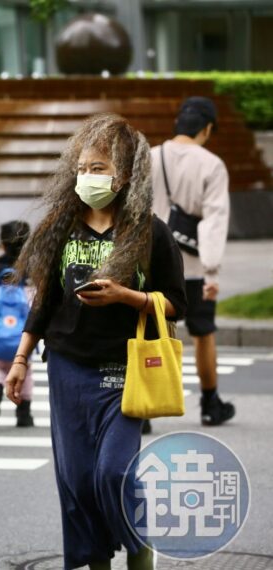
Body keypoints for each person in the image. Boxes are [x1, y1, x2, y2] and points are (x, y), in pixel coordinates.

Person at [5, 114, 187, 570]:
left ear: (124, 175)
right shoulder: (60, 228)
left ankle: (141, 548)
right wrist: (21, 359)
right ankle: (98, 562)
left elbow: (175, 305)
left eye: (99, 168)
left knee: (114, 471)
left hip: (125, 369)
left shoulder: (149, 232)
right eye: (83, 168)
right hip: (68, 368)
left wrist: (126, 296)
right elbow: (43, 301)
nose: (87, 177)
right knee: (79, 481)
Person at [151, 96, 235, 427]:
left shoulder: (149, 156)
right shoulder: (212, 164)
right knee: (203, 334)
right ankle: (211, 403)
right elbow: (214, 220)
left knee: (149, 334)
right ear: (207, 128)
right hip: (195, 268)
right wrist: (213, 272)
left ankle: (143, 408)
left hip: (152, 264)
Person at [0, 220, 35, 427]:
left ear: (3, 245)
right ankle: (24, 412)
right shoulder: (30, 266)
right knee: (25, 371)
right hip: (22, 336)